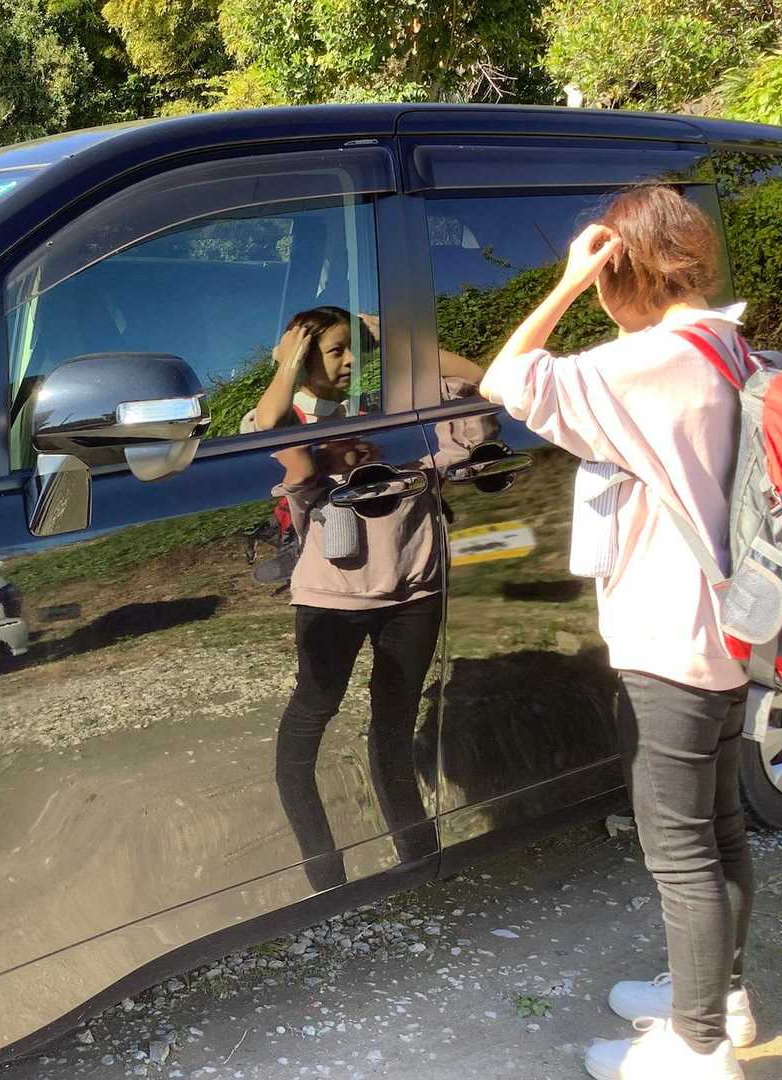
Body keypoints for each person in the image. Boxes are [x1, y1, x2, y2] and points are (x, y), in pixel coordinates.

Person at [479, 185, 753, 1080]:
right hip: (731, 627)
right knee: (720, 826)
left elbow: (508, 378)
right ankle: (719, 1001)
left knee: (679, 850)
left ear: (622, 271)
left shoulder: (653, 361)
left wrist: (566, 281)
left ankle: (697, 1049)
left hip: (671, 635)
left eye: (605, 276)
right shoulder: (725, 340)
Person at [245, 307, 447, 891]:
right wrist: (287, 361)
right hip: (331, 598)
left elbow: (482, 381)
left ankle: (420, 864)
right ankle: (326, 878)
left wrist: (402, 338)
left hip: (413, 591)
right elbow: (271, 429)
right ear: (303, 359)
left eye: (359, 347)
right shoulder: (285, 419)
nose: (353, 360)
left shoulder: (391, 405)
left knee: (394, 729)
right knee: (311, 717)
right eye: (336, 350)